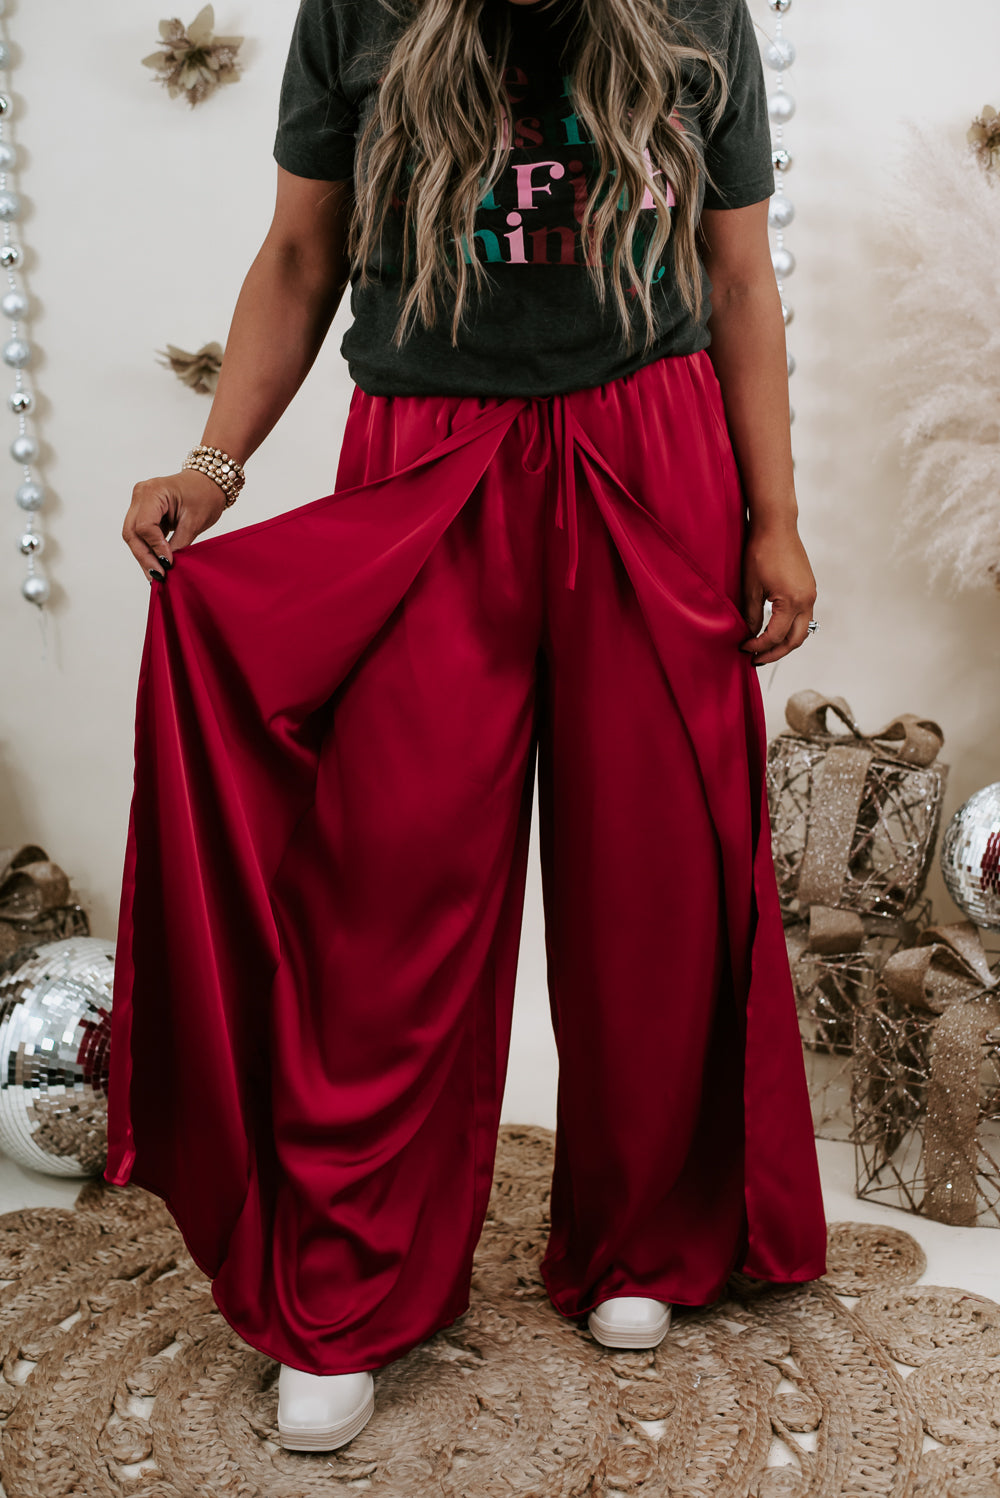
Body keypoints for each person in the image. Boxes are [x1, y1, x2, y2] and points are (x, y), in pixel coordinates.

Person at [108, 0, 828, 1457]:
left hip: (652, 448)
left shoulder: (696, 11)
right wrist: (214, 462)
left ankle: (639, 1235)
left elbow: (736, 271)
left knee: (652, 877)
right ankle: (348, 1283)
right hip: (428, 452)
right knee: (388, 887)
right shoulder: (356, 11)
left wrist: (777, 518)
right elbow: (304, 251)